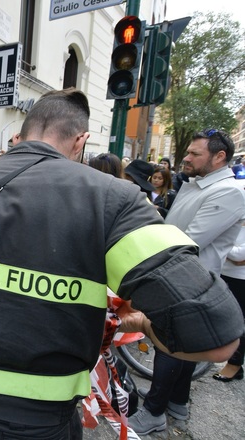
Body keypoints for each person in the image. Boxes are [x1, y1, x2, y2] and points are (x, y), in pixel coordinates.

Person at [0, 89, 243, 440]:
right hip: (35, 417)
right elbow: (218, 338)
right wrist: (143, 323)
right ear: (81, 140)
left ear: (22, 135)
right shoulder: (113, 199)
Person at [129, 128, 245, 435]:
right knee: (180, 347)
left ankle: (153, 412)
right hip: (175, 276)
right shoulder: (197, 184)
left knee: (170, 347)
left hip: (187, 282)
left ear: (219, 157)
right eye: (188, 152)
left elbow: (190, 239)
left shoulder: (229, 192)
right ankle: (177, 403)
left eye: (195, 153)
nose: (187, 158)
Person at [215, 217, 245, 382]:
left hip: (241, 280)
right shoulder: (238, 217)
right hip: (223, 272)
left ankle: (234, 365)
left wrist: (224, 247)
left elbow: (239, 254)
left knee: (237, 323)